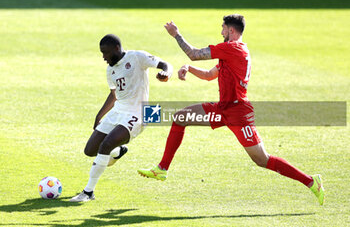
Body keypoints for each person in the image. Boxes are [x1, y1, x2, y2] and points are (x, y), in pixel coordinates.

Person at [138, 15, 325, 205]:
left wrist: (176, 35)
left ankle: (311, 181)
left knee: (262, 159)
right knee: (180, 117)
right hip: (222, 109)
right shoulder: (233, 52)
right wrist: (189, 68)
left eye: (223, 28)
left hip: (238, 113)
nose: (221, 32)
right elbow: (210, 75)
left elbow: (194, 53)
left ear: (231, 31)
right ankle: (162, 168)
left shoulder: (232, 48)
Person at [70, 34, 173, 202]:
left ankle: (88, 192)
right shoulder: (110, 69)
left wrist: (166, 72)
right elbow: (114, 94)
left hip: (138, 112)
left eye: (105, 53)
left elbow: (165, 64)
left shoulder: (137, 57)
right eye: (101, 53)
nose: (103, 57)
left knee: (106, 145)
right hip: (118, 111)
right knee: (90, 150)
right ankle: (118, 152)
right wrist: (100, 115)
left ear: (117, 48)